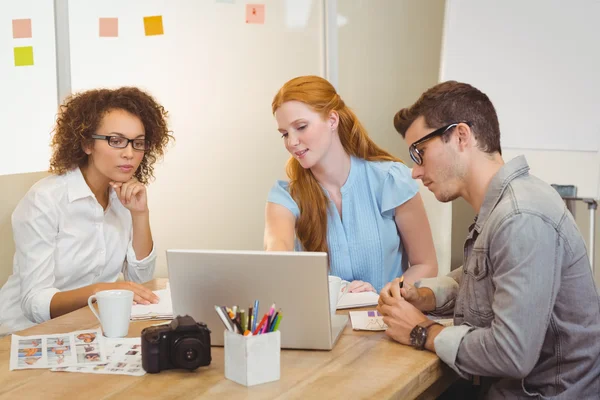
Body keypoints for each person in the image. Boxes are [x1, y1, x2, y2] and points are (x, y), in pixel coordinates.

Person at [378, 81, 600, 398]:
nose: (415, 171)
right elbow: (482, 276)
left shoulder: (520, 217)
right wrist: (424, 296)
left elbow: (512, 352)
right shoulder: (505, 206)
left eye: (420, 152)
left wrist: (422, 331)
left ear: (461, 136)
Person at [0, 87, 174, 334]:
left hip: (86, 329)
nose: (129, 153)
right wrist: (100, 290)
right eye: (116, 141)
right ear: (86, 143)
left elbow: (140, 281)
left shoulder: (122, 197)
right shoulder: (45, 200)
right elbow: (34, 303)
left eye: (138, 143)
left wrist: (139, 215)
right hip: (22, 334)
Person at [264, 75, 438, 293]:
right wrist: (278, 262)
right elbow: (277, 248)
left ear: (332, 120)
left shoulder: (390, 179)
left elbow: (426, 265)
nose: (292, 142)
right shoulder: (286, 196)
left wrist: (384, 294)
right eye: (284, 134)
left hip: (385, 319)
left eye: (301, 127)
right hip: (324, 324)